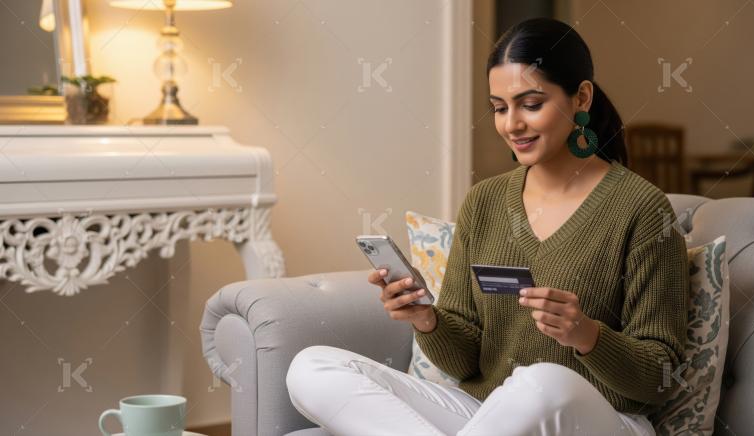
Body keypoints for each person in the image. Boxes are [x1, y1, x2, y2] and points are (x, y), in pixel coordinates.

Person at [286, 17, 689, 436]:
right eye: (499, 108)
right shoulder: (485, 202)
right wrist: (427, 320)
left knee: (542, 381)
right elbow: (467, 362)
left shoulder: (642, 209)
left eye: (531, 104)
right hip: (487, 416)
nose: (511, 124)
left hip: (594, 417)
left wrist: (586, 334)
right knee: (312, 366)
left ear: (581, 97)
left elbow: (659, 377)